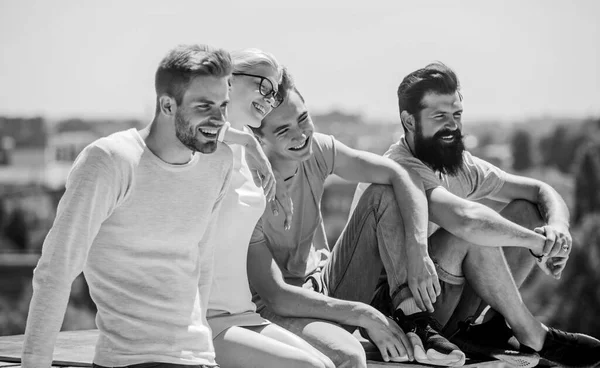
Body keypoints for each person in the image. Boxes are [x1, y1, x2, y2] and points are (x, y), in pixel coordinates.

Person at [21, 44, 271, 368]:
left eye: (223, 105)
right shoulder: (111, 161)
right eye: (204, 106)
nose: (219, 119)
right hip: (131, 359)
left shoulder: (217, 163)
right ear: (167, 104)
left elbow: (201, 267)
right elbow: (56, 270)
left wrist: (205, 351)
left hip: (200, 357)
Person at [348, 62, 600, 368]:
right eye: (439, 116)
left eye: (456, 115)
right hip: (399, 311)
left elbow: (538, 190)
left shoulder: (458, 164)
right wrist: (536, 243)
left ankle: (488, 329)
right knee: (469, 231)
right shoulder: (399, 168)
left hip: (441, 296)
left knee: (527, 211)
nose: (452, 126)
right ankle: (532, 332)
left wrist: (557, 231)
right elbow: (464, 219)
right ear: (409, 121)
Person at [247, 69, 467, 368]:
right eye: (283, 131)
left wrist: (418, 251)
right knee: (347, 355)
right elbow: (276, 297)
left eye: (302, 119)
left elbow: (401, 174)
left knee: (383, 193)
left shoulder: (319, 150)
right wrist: (365, 315)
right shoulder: (249, 189)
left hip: (323, 284)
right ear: (258, 138)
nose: (300, 135)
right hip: (278, 309)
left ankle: (413, 318)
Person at [206, 49, 333, 368]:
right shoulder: (205, 154)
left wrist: (253, 149)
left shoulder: (244, 156)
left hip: (243, 314)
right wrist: (250, 144)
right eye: (263, 86)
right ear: (229, 81)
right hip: (205, 321)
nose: (269, 98)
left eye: (274, 91)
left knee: (330, 365)